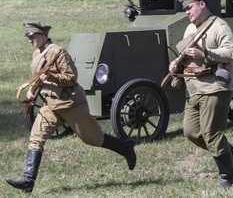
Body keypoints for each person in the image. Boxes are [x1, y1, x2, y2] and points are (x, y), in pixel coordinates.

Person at [6, 22, 136, 193]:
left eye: (33, 36)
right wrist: (33, 91)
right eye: (28, 37)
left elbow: (71, 78)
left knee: (93, 139)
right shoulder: (37, 54)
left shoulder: (57, 52)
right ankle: (28, 181)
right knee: (36, 137)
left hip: (70, 104)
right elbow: (39, 79)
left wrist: (50, 76)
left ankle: (125, 147)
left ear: (43, 35)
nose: (30, 40)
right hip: (51, 105)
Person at [168, 0, 233, 188]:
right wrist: (176, 63)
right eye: (185, 9)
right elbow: (187, 56)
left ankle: (228, 178)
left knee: (211, 133)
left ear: (202, 4)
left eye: (190, 7)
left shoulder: (219, 26)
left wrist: (206, 53)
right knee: (191, 132)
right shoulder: (189, 29)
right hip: (194, 89)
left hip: (215, 87)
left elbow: (232, 52)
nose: (187, 12)